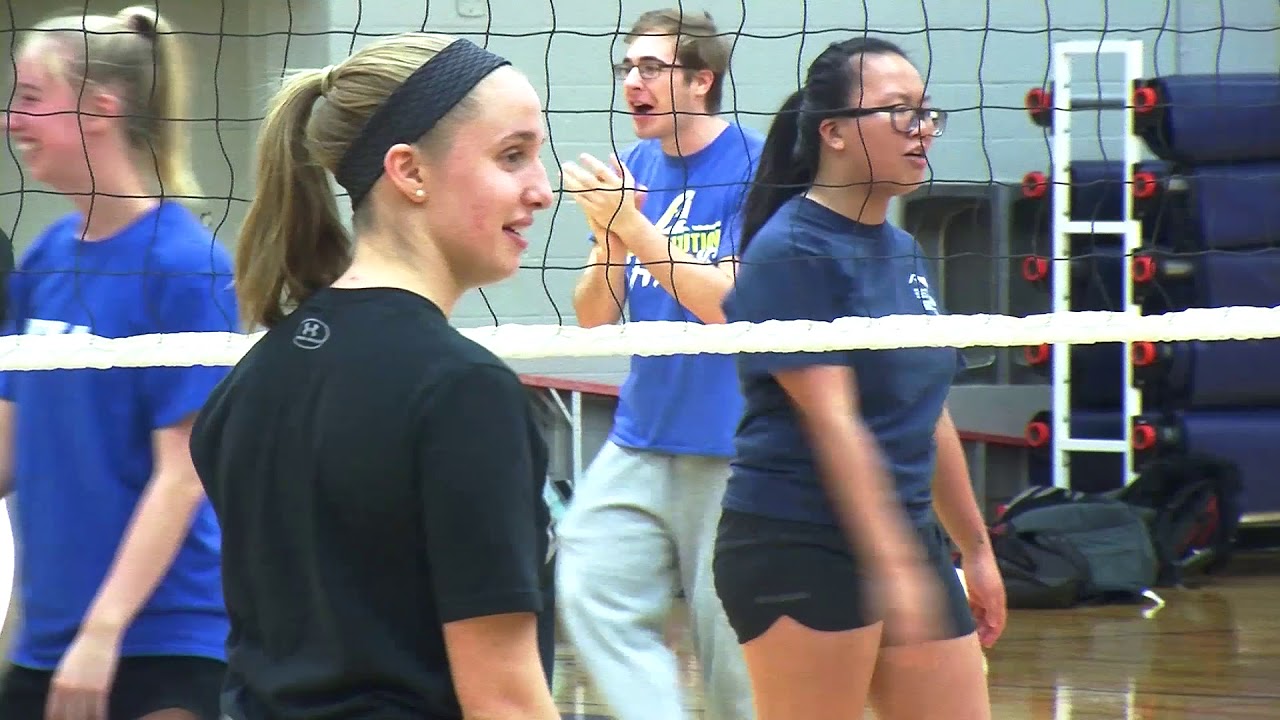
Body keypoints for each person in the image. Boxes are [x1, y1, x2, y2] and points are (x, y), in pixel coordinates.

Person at [187, 33, 560, 720]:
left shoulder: (249, 385)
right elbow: (505, 698)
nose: (541, 189)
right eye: (512, 156)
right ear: (409, 172)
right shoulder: (464, 393)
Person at [709, 37, 1008, 720]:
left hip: (906, 537)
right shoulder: (789, 251)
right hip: (800, 543)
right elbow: (833, 422)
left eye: (927, 112)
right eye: (900, 111)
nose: (923, 129)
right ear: (834, 132)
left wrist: (976, 551)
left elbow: (928, 413)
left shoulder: (901, 250)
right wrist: (892, 564)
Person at [0, 6, 237, 720]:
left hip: (157, 644)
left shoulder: (186, 267)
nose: (13, 120)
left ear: (101, 107)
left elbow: (183, 472)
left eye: (32, 98)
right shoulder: (44, 257)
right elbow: (7, 453)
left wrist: (102, 635)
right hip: (46, 643)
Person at [555, 8, 758, 720]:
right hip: (642, 436)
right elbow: (592, 313)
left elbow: (726, 302)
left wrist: (631, 226)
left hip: (732, 446)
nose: (631, 82)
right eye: (627, 68)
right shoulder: (633, 170)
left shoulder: (757, 167)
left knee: (732, 659)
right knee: (586, 581)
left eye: (650, 67)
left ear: (701, 80)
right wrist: (610, 240)